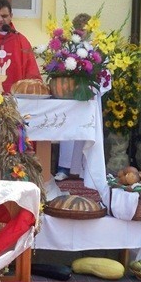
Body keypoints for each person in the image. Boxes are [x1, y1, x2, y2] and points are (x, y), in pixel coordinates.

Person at [55, 13, 99, 182]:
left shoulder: (94, 48)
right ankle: (64, 167)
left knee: (85, 131)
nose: (81, 31)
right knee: (69, 130)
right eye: (79, 28)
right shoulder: (68, 48)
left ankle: (84, 169)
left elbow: (103, 72)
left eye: (85, 28)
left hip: (88, 95)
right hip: (71, 93)